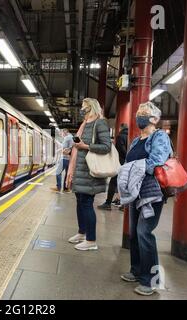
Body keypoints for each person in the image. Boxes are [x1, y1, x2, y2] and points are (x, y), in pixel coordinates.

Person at [118, 102, 172, 296]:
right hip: (135, 192)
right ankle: (136, 270)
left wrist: (134, 169)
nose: (139, 115)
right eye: (138, 112)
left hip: (151, 193)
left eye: (144, 113)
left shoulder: (159, 137)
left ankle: (150, 281)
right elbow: (127, 163)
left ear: (155, 119)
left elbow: (156, 162)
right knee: (134, 232)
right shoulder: (135, 140)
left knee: (144, 232)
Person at [65, 98, 111, 251]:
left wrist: (85, 146)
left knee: (86, 204)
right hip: (80, 170)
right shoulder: (84, 125)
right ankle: (82, 233)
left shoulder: (100, 123)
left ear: (91, 108)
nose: (82, 109)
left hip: (90, 171)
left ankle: (91, 240)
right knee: (80, 202)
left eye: (84, 107)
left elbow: (106, 147)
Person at [98, 123, 128, 211]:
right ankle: (123, 205)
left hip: (120, 163)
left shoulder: (120, 137)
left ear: (121, 128)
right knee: (125, 184)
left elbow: (120, 150)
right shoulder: (130, 136)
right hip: (128, 164)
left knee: (113, 183)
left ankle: (108, 203)